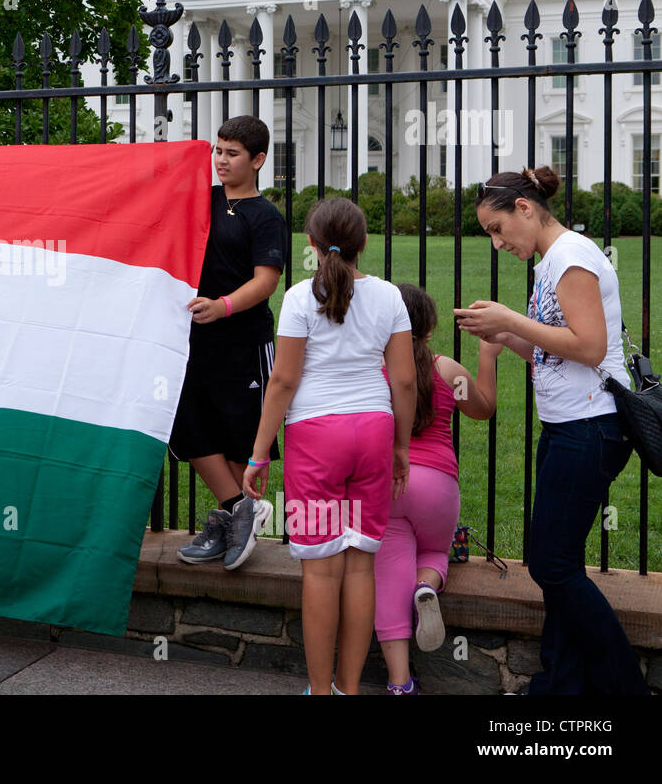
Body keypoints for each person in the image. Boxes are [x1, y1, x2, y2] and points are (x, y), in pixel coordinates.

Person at [456, 166, 649, 695]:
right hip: (567, 425)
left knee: (552, 563)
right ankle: (562, 684)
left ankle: (623, 688)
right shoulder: (551, 262)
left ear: (523, 208)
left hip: (592, 427)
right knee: (560, 564)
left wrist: (513, 320)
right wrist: (503, 334)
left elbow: (589, 346)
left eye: (497, 229)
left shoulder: (571, 257)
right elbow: (553, 352)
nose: (496, 244)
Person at [244, 197, 415, 695]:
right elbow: (404, 381)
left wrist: (258, 455)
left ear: (311, 245)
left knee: (320, 574)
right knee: (361, 565)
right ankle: (350, 688)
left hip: (316, 440)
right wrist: (401, 447)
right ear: (364, 244)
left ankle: (322, 693)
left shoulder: (299, 297)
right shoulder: (389, 297)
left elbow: (282, 382)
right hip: (374, 432)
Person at [170, 116, 286, 571]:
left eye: (232, 153)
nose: (221, 160)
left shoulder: (266, 217)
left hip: (244, 341)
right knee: (186, 426)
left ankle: (234, 518)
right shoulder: (201, 201)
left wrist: (223, 306)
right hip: (194, 340)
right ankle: (242, 509)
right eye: (218, 151)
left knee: (242, 436)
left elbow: (266, 282)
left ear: (257, 160)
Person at [375, 283, 498, 695]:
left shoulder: (374, 368)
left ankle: (399, 683)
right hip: (438, 487)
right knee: (433, 551)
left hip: (390, 483)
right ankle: (426, 584)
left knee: (389, 577)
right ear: (429, 330)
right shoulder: (446, 370)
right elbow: (482, 409)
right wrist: (487, 354)